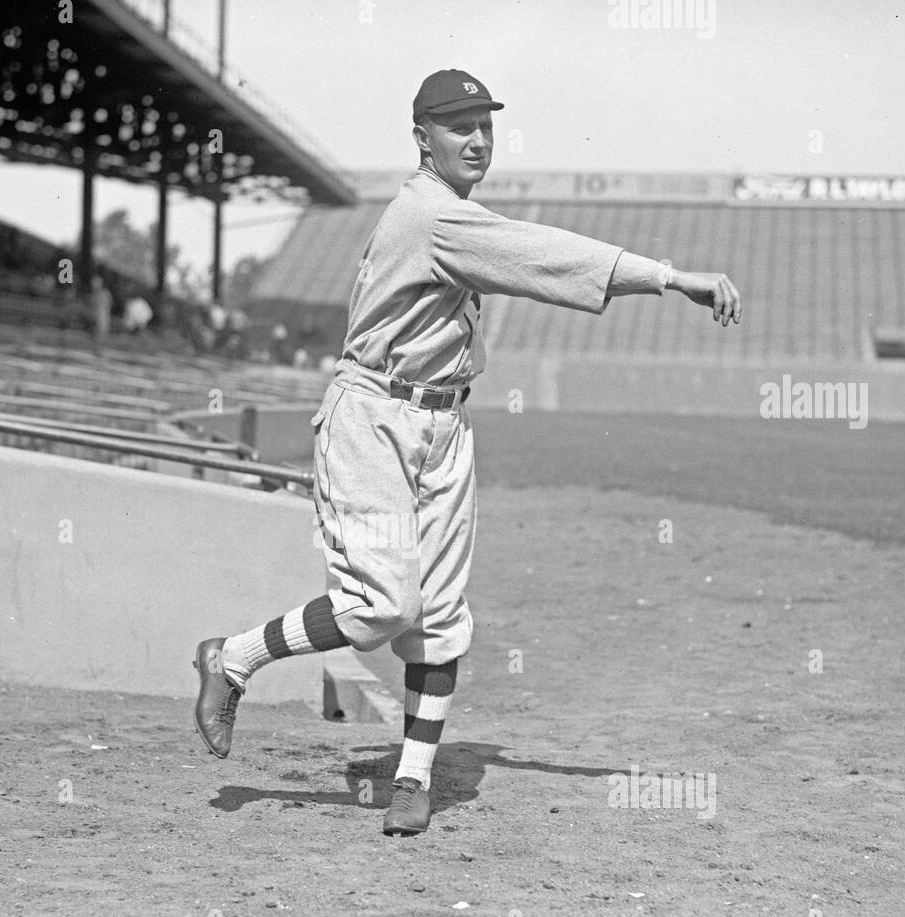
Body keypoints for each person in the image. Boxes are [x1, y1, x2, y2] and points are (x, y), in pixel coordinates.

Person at [192, 69, 741, 836]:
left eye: (485, 124)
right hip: (376, 421)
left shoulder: (453, 213)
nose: (478, 139)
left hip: (444, 424)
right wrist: (669, 277)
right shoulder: (431, 217)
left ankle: (413, 778)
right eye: (459, 126)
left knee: (440, 614)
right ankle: (234, 657)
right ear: (423, 138)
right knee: (380, 604)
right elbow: (545, 254)